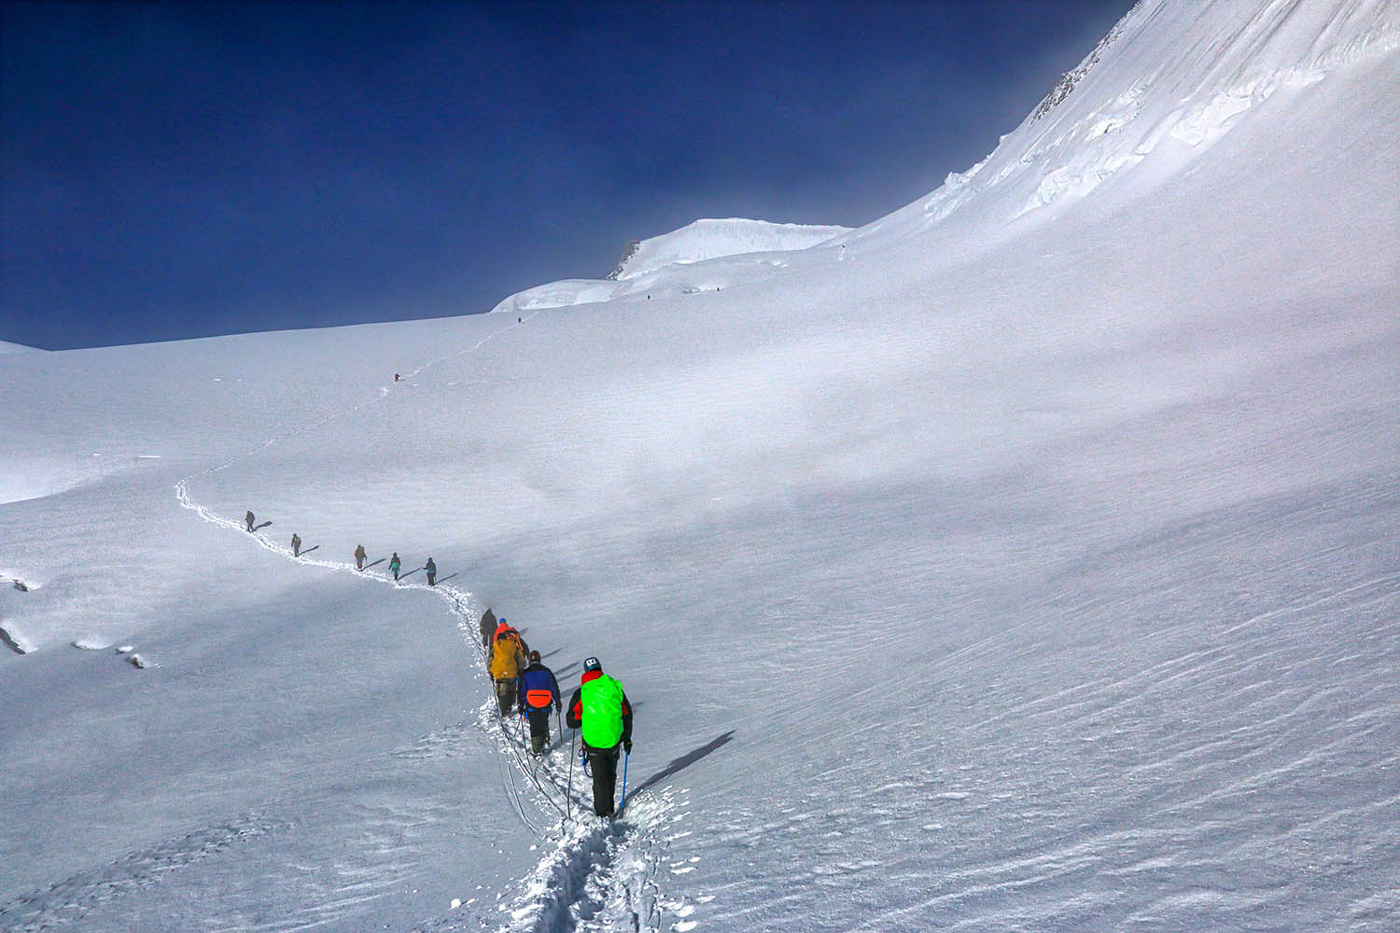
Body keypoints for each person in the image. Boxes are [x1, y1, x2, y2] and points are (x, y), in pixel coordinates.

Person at [566, 657, 633, 817]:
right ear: (600, 669)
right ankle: (609, 808)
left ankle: (603, 813)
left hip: (593, 742)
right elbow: (627, 714)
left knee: (599, 778)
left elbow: (572, 722)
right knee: (611, 774)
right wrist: (627, 738)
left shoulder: (581, 692)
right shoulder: (614, 688)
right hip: (614, 740)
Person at [517, 650, 562, 755]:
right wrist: (558, 701)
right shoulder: (547, 672)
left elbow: (521, 690)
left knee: (534, 725)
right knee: (543, 721)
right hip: (546, 704)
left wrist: (520, 704)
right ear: (540, 659)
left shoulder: (526, 673)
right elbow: (554, 688)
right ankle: (545, 740)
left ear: (529, 660)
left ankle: (537, 749)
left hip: (531, 704)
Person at [489, 624, 528, 714]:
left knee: (502, 691)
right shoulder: (513, 645)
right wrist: (521, 669)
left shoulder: (494, 647)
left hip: (498, 672)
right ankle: (510, 705)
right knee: (511, 687)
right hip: (511, 672)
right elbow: (520, 658)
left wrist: (490, 671)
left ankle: (504, 709)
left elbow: (490, 660)